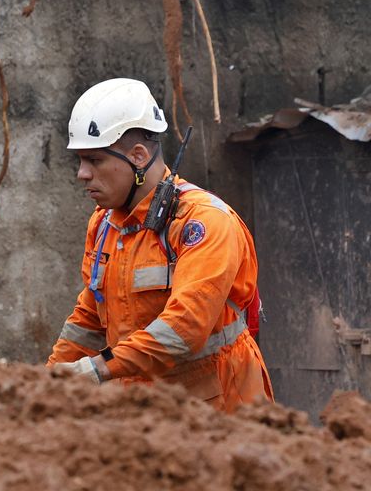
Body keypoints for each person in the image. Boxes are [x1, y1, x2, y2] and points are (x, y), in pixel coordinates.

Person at [48, 78, 271, 412]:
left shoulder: (204, 222)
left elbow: (184, 329)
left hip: (219, 410)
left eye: (94, 160)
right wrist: (47, 380)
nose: (82, 173)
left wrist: (95, 370)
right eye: (80, 161)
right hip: (149, 409)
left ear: (138, 156)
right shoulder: (106, 224)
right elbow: (91, 317)